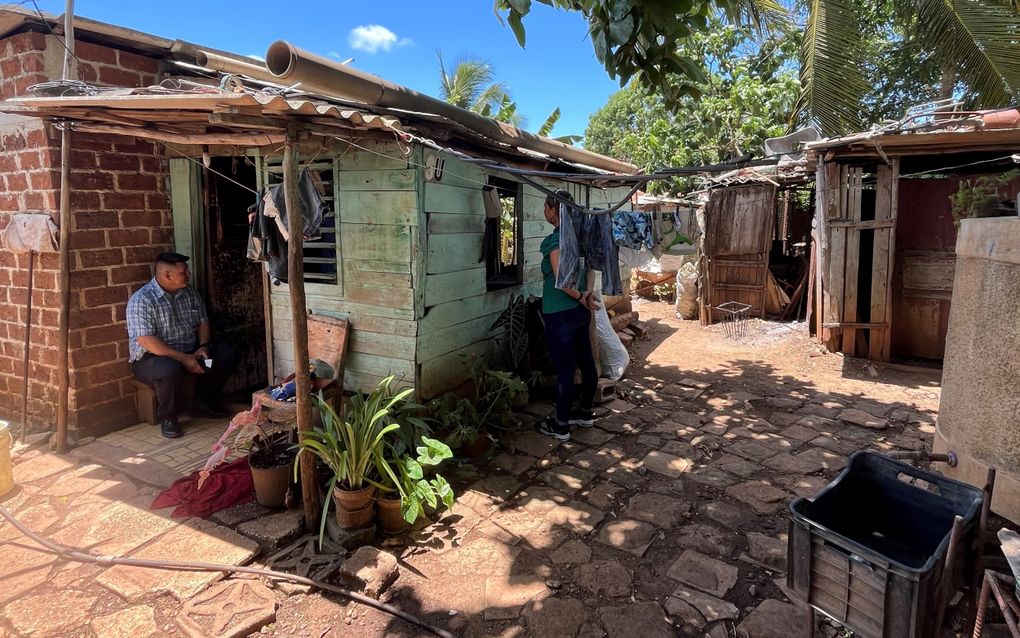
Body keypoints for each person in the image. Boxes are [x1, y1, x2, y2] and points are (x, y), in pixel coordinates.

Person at [127, 252, 239, 438]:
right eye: (183, 272)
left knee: (224, 355)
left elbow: (203, 321)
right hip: (152, 360)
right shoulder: (142, 300)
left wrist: (203, 346)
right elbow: (147, 341)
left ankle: (202, 402)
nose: (188, 275)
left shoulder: (189, 293)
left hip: (190, 352)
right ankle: (168, 417)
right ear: (167, 275)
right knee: (168, 369)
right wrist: (182, 358)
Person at [537, 190, 600, 441]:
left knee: (565, 369)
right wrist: (586, 293)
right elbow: (591, 268)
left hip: (560, 314)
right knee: (586, 363)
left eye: (546, 206)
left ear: (554, 211)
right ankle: (584, 413)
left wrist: (581, 296)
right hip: (580, 313)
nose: (544, 211)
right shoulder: (580, 237)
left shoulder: (556, 241)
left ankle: (561, 425)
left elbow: (562, 282)